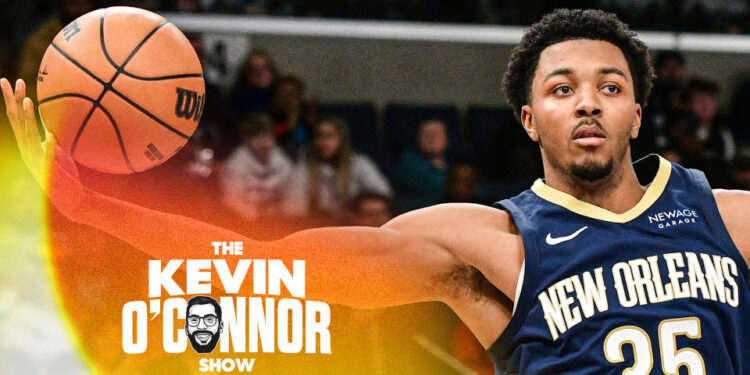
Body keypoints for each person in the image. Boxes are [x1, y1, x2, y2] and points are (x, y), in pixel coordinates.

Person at [5, 8, 750, 375]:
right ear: (530, 118)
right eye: (562, 88)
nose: (587, 102)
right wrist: (87, 206)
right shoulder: (490, 244)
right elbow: (270, 263)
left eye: (609, 86)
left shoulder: (725, 217)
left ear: (636, 113)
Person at [283, 116, 391, 219]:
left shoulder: (359, 163)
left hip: (353, 225)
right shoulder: (304, 167)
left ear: (342, 139)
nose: (324, 142)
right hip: (317, 227)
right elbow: (292, 208)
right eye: (319, 136)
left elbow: (382, 194)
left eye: (330, 136)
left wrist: (358, 205)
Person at [218, 112, 294, 222]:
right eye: (257, 136)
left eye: (268, 135)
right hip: (244, 222)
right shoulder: (235, 163)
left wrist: (284, 218)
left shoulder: (281, 161)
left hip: (277, 222)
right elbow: (232, 201)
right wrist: (256, 219)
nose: (264, 142)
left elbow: (292, 197)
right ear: (247, 139)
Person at [391, 118, 450, 213]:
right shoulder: (408, 163)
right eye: (427, 135)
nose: (432, 139)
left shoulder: (454, 164)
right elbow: (440, 190)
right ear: (418, 138)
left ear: (446, 138)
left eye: (437, 134)